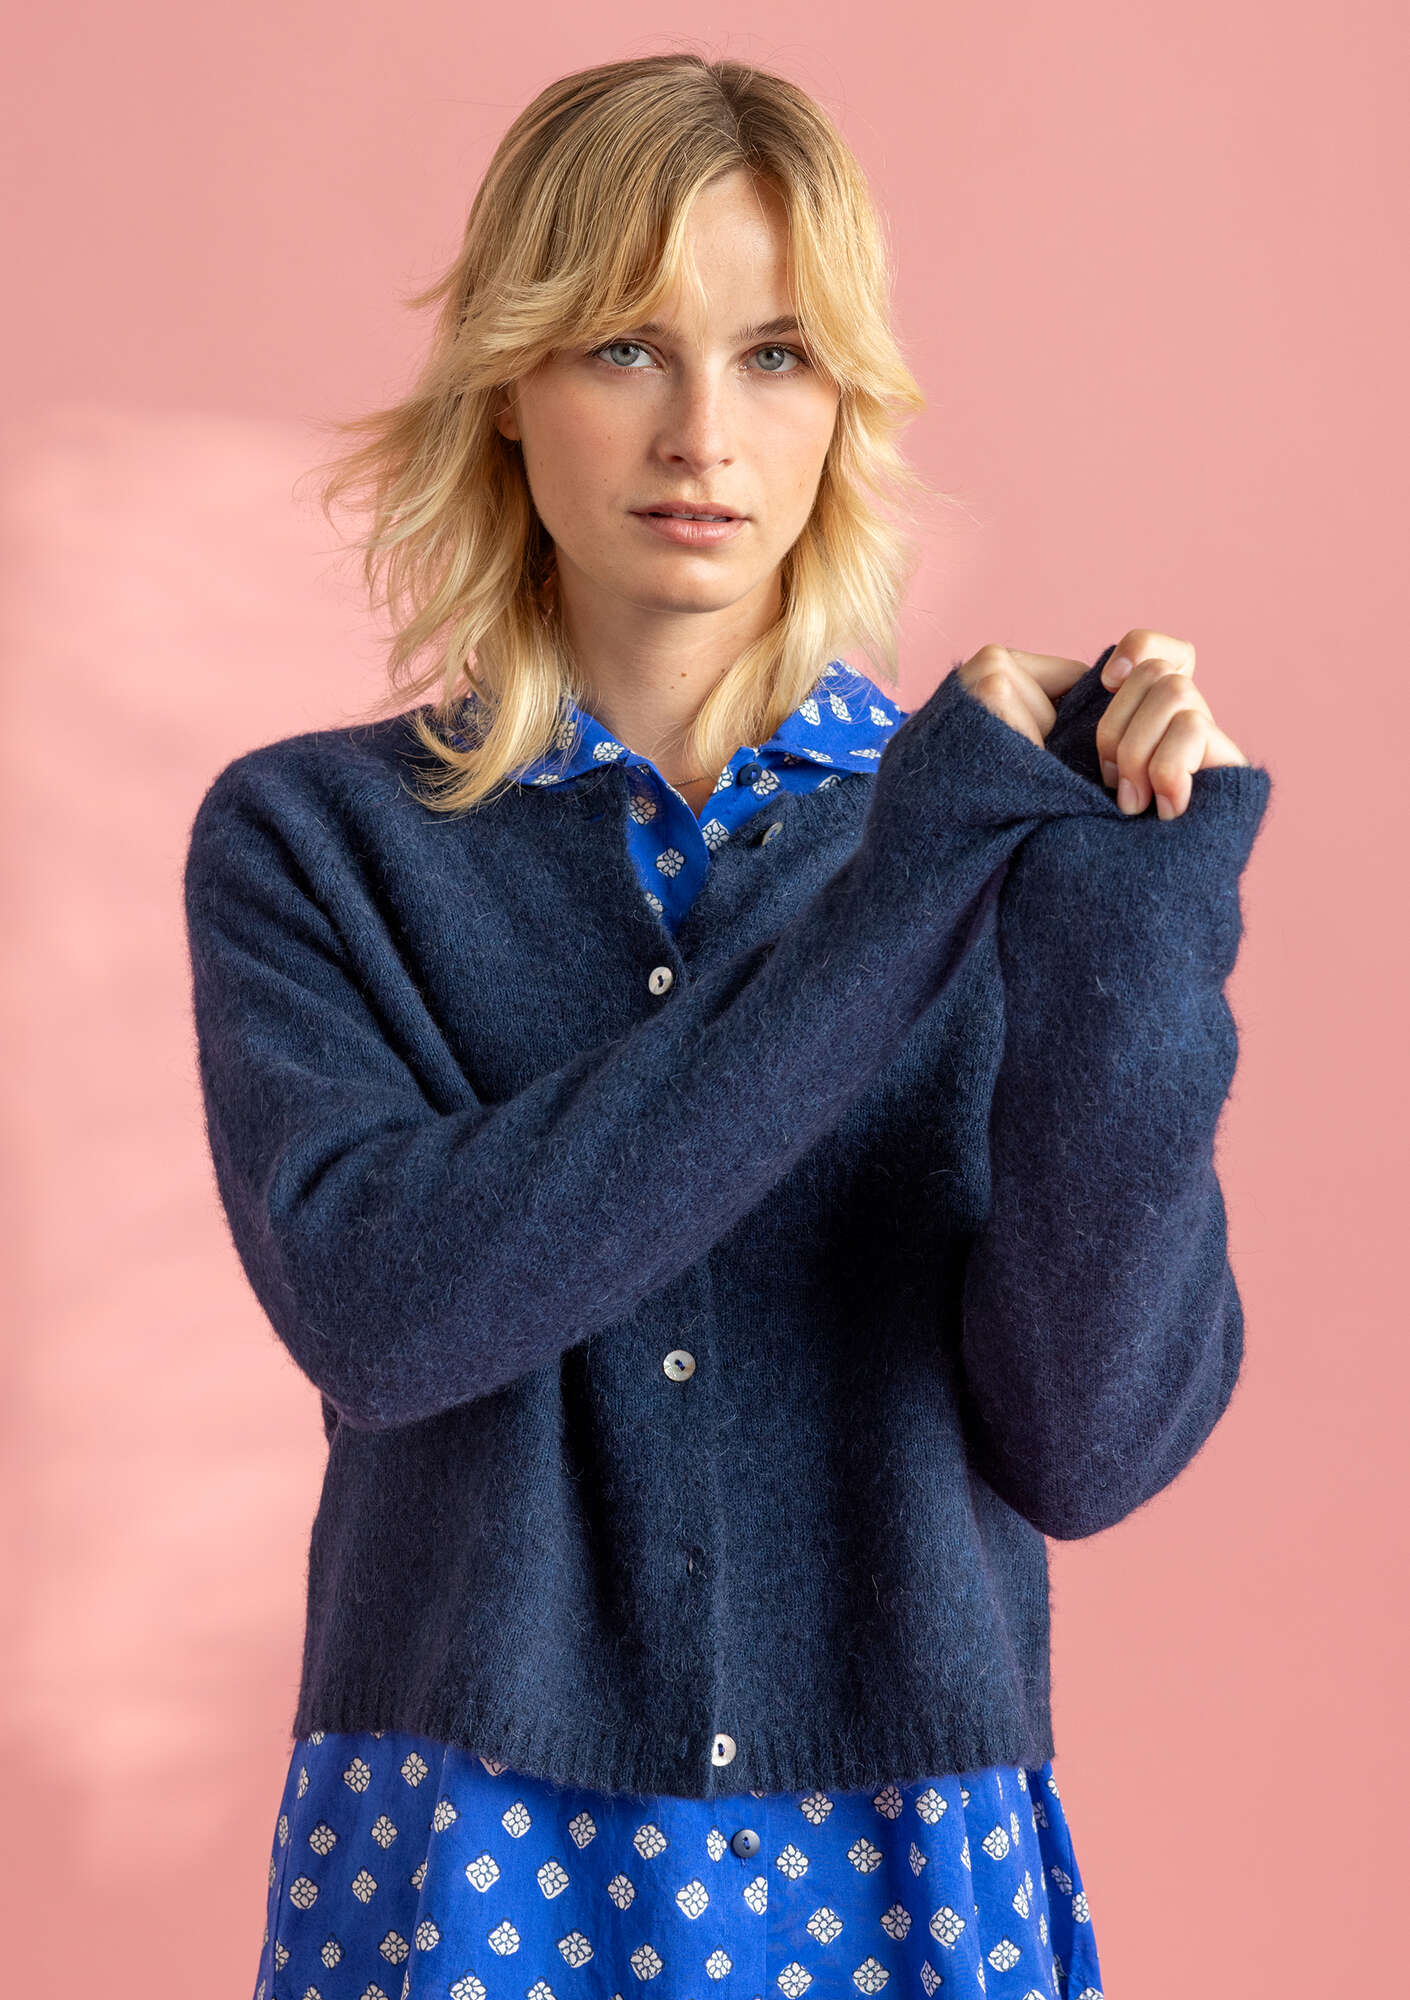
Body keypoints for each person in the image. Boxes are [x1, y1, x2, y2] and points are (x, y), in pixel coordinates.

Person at [183, 51, 1271, 2000]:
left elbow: (1090, 1446)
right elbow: (389, 1312)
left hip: (902, 1859)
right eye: (624, 348)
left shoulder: (978, 836)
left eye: (776, 356)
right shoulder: (314, 842)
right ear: (505, 386)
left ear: (844, 402)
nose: (704, 434)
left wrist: (1134, 935)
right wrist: (899, 894)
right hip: (468, 1847)